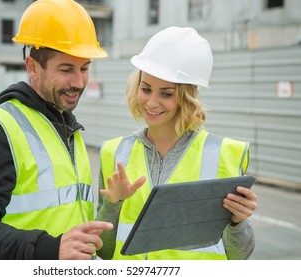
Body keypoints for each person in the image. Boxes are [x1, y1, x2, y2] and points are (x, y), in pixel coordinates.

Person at [0, 0, 113, 260]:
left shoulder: (67, 128)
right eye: (66, 69)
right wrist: (50, 249)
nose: (79, 82)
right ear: (32, 67)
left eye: (84, 68)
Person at [96, 26, 258, 260]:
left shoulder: (225, 154)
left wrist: (238, 221)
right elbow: (104, 251)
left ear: (187, 96)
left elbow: (239, 256)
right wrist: (112, 204)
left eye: (166, 94)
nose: (151, 102)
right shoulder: (114, 152)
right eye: (146, 89)